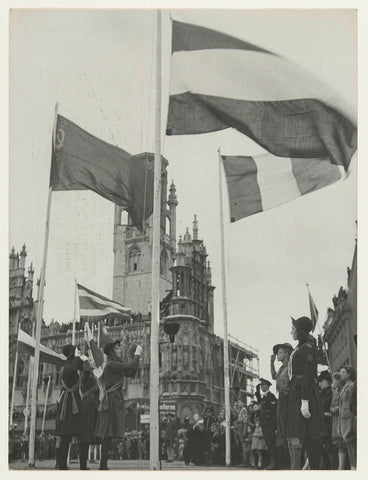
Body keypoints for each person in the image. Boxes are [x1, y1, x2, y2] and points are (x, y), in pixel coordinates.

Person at [286, 316, 327, 470]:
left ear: (300, 330)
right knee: (307, 435)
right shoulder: (301, 347)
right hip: (299, 393)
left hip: (306, 394)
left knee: (312, 436)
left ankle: (315, 470)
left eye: (293, 329)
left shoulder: (308, 347)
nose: (291, 332)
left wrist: (305, 400)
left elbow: (309, 374)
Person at [95, 340, 142, 470]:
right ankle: (102, 465)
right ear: (111, 352)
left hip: (115, 397)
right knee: (107, 433)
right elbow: (130, 368)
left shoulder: (113, 364)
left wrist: (132, 355)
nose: (118, 350)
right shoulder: (110, 365)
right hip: (112, 399)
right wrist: (137, 354)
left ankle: (103, 464)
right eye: (116, 348)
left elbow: (131, 372)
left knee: (109, 433)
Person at [55, 344, 85, 470]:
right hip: (68, 405)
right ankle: (62, 464)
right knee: (66, 435)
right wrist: (79, 357)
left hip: (72, 403)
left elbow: (81, 367)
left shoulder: (70, 364)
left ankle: (63, 464)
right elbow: (74, 368)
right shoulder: (68, 366)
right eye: (75, 352)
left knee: (69, 435)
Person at [271, 342, 293, 468]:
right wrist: (271, 363)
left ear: (286, 353)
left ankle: (292, 463)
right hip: (281, 399)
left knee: (287, 429)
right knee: (282, 430)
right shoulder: (281, 369)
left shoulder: (290, 366)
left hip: (287, 399)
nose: (277, 355)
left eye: (279, 352)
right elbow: (274, 376)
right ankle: (287, 461)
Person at [79, 359, 100, 470]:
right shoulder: (86, 375)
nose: (93, 362)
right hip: (89, 406)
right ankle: (83, 464)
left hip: (91, 405)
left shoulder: (89, 375)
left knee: (86, 437)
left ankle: (84, 464)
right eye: (91, 362)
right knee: (85, 436)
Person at [337, 366, 356, 470]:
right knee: (348, 443)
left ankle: (354, 466)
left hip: (349, 418)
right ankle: (353, 465)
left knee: (352, 442)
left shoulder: (351, 386)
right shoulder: (344, 387)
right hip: (343, 418)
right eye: (341, 372)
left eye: (344, 372)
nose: (341, 374)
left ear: (349, 374)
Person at [255, 378, 277, 469]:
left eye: (263, 385)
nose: (261, 387)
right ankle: (269, 462)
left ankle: (274, 463)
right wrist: (257, 392)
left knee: (271, 443)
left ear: (267, 386)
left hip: (269, 423)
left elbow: (273, 410)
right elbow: (260, 402)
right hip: (264, 423)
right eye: (261, 386)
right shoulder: (264, 397)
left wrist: (263, 411)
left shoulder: (271, 396)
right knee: (268, 443)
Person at [318, 370, 333, 469]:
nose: (319, 384)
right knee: (323, 447)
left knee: (329, 447)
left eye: (321, 381)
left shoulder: (330, 392)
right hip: (322, 423)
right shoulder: (321, 393)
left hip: (329, 423)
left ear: (327, 381)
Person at [330, 372, 341, 469]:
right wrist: (332, 409)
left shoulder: (340, 391)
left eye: (334, 380)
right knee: (335, 442)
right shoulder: (334, 392)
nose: (332, 383)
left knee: (341, 441)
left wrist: (336, 408)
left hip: (339, 418)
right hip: (334, 418)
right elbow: (331, 405)